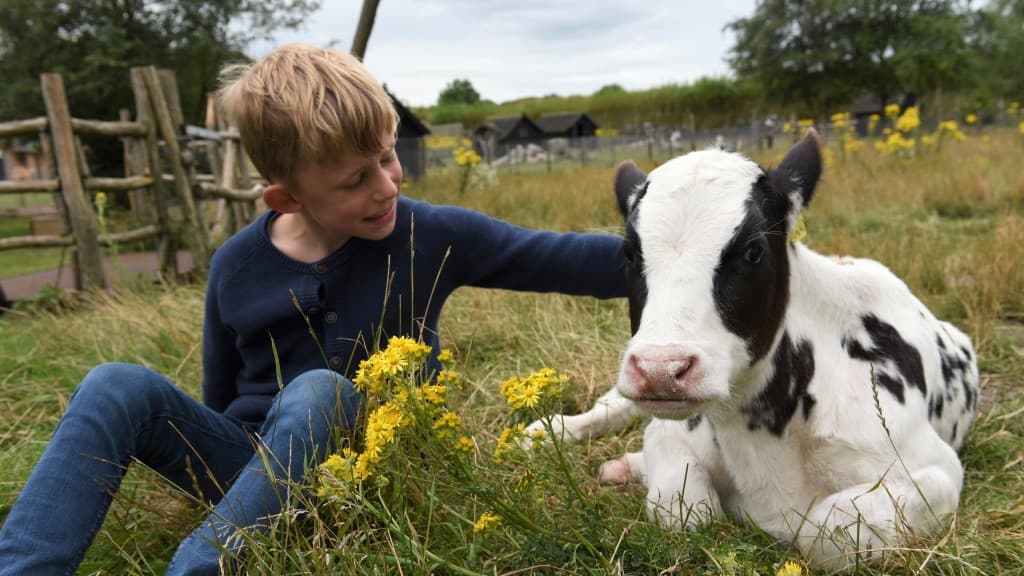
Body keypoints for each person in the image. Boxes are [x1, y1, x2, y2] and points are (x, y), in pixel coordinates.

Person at [0, 43, 627, 575]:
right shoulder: (236, 266)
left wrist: (686, 244)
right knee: (115, 385)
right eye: (355, 180)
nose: (385, 185)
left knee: (319, 391)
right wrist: (245, 486)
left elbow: (561, 257)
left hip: (374, 473)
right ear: (287, 196)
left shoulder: (430, 235)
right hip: (252, 476)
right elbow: (218, 400)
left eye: (387, 157)